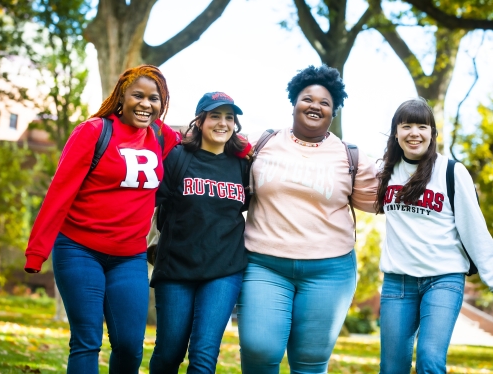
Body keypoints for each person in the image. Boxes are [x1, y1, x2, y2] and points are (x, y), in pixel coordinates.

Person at [24, 64, 181, 374]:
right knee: (86, 340)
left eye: (155, 99)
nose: (146, 104)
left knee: (129, 344)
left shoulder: (162, 136)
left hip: (129, 257)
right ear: (121, 97)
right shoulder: (94, 131)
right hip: (79, 249)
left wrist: (239, 148)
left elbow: (197, 141)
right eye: (138, 95)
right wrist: (37, 251)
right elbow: (59, 194)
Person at [237, 65, 379, 373]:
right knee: (258, 350)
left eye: (325, 102)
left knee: (310, 363)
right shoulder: (262, 144)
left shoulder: (349, 155)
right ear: (294, 103)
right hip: (265, 264)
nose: (315, 105)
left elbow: (385, 199)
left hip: (330, 271)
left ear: (333, 112)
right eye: (307, 98)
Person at [375, 98, 493, 373]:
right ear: (396, 132)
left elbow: (475, 231)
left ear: (432, 133)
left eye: (421, 126)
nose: (414, 133)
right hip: (398, 282)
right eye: (406, 126)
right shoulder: (385, 173)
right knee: (391, 368)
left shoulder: (452, 171)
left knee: (430, 360)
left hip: (443, 279)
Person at [149, 92, 250, 373]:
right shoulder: (178, 158)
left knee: (204, 356)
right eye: (215, 116)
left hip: (224, 269)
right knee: (169, 352)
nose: (223, 123)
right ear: (201, 120)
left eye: (229, 117)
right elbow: (153, 204)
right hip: (176, 268)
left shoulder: (243, 165)